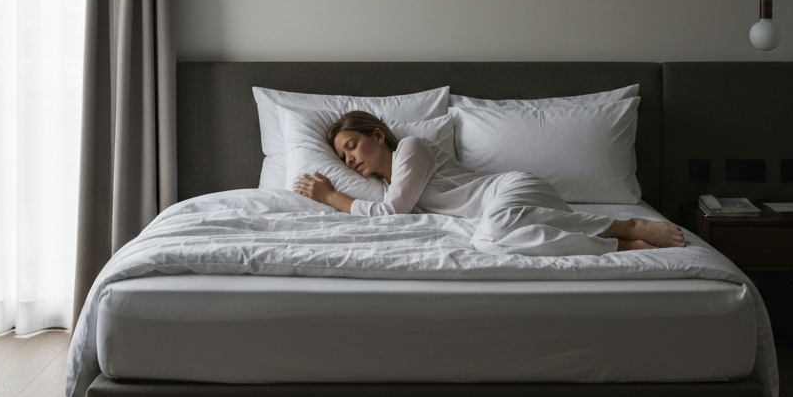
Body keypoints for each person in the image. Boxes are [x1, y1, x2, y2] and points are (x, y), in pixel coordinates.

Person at [293, 110, 685, 257]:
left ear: (378, 136)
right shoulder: (386, 188)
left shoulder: (411, 149)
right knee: (490, 242)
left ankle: (624, 225)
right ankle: (618, 244)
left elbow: (389, 213)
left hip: (510, 190)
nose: (350, 160)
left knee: (494, 231)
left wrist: (330, 195)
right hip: (510, 214)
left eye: (352, 146)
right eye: (343, 158)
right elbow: (386, 208)